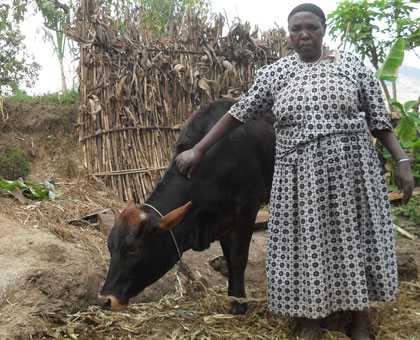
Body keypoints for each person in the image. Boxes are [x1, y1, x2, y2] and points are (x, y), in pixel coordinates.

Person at [175, 3, 414, 340]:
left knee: (356, 239)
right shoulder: (275, 74)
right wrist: (199, 149)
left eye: (311, 27)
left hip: (353, 171)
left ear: (323, 29)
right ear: (288, 35)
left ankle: (358, 320)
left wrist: (402, 162)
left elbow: (378, 120)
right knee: (304, 245)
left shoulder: (353, 67)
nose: (303, 35)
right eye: (296, 29)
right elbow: (239, 114)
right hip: (299, 176)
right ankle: (310, 322)